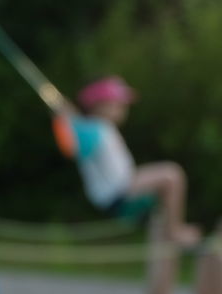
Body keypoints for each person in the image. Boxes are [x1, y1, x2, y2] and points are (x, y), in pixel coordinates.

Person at [54, 76, 200, 246]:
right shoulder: (94, 129)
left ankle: (168, 229)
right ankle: (174, 232)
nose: (124, 108)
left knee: (167, 188)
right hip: (117, 193)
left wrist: (71, 119)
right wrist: (64, 119)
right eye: (118, 104)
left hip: (122, 189)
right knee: (172, 175)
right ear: (100, 106)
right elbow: (71, 147)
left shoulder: (100, 128)